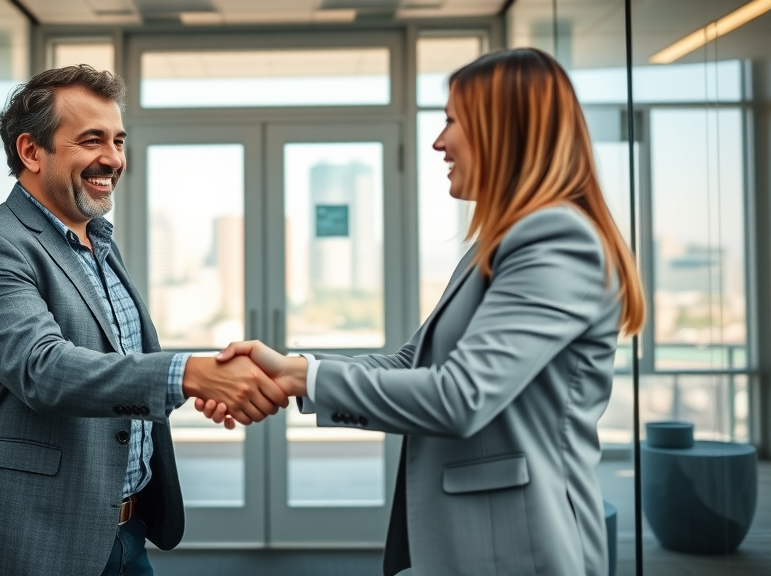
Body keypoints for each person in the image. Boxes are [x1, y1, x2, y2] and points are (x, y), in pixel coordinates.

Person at [200, 47, 645, 576]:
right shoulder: (493, 246)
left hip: (520, 546)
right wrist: (293, 366)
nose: (439, 141)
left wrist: (304, 378)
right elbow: (415, 360)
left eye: (452, 121)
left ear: (501, 130)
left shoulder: (555, 239)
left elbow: (461, 396)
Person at [0, 64, 287, 576]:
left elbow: (116, 366)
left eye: (118, 140)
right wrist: (189, 374)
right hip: (38, 543)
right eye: (91, 140)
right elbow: (45, 369)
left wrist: (200, 382)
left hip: (125, 532)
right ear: (31, 151)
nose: (113, 158)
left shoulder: (98, 243)